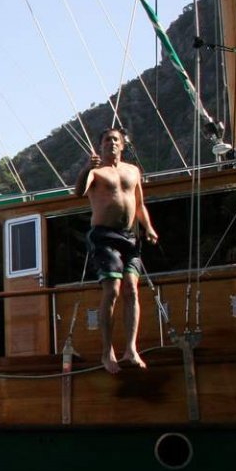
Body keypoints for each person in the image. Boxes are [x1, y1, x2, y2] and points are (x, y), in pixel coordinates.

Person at [74, 128, 159, 373]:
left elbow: (139, 204)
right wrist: (85, 169)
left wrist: (148, 227)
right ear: (100, 145)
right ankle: (107, 351)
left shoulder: (133, 171)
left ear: (122, 145)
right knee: (112, 289)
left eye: (115, 140)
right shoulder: (96, 171)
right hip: (103, 236)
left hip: (129, 237)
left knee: (131, 289)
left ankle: (131, 348)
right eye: (106, 140)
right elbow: (79, 192)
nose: (111, 143)